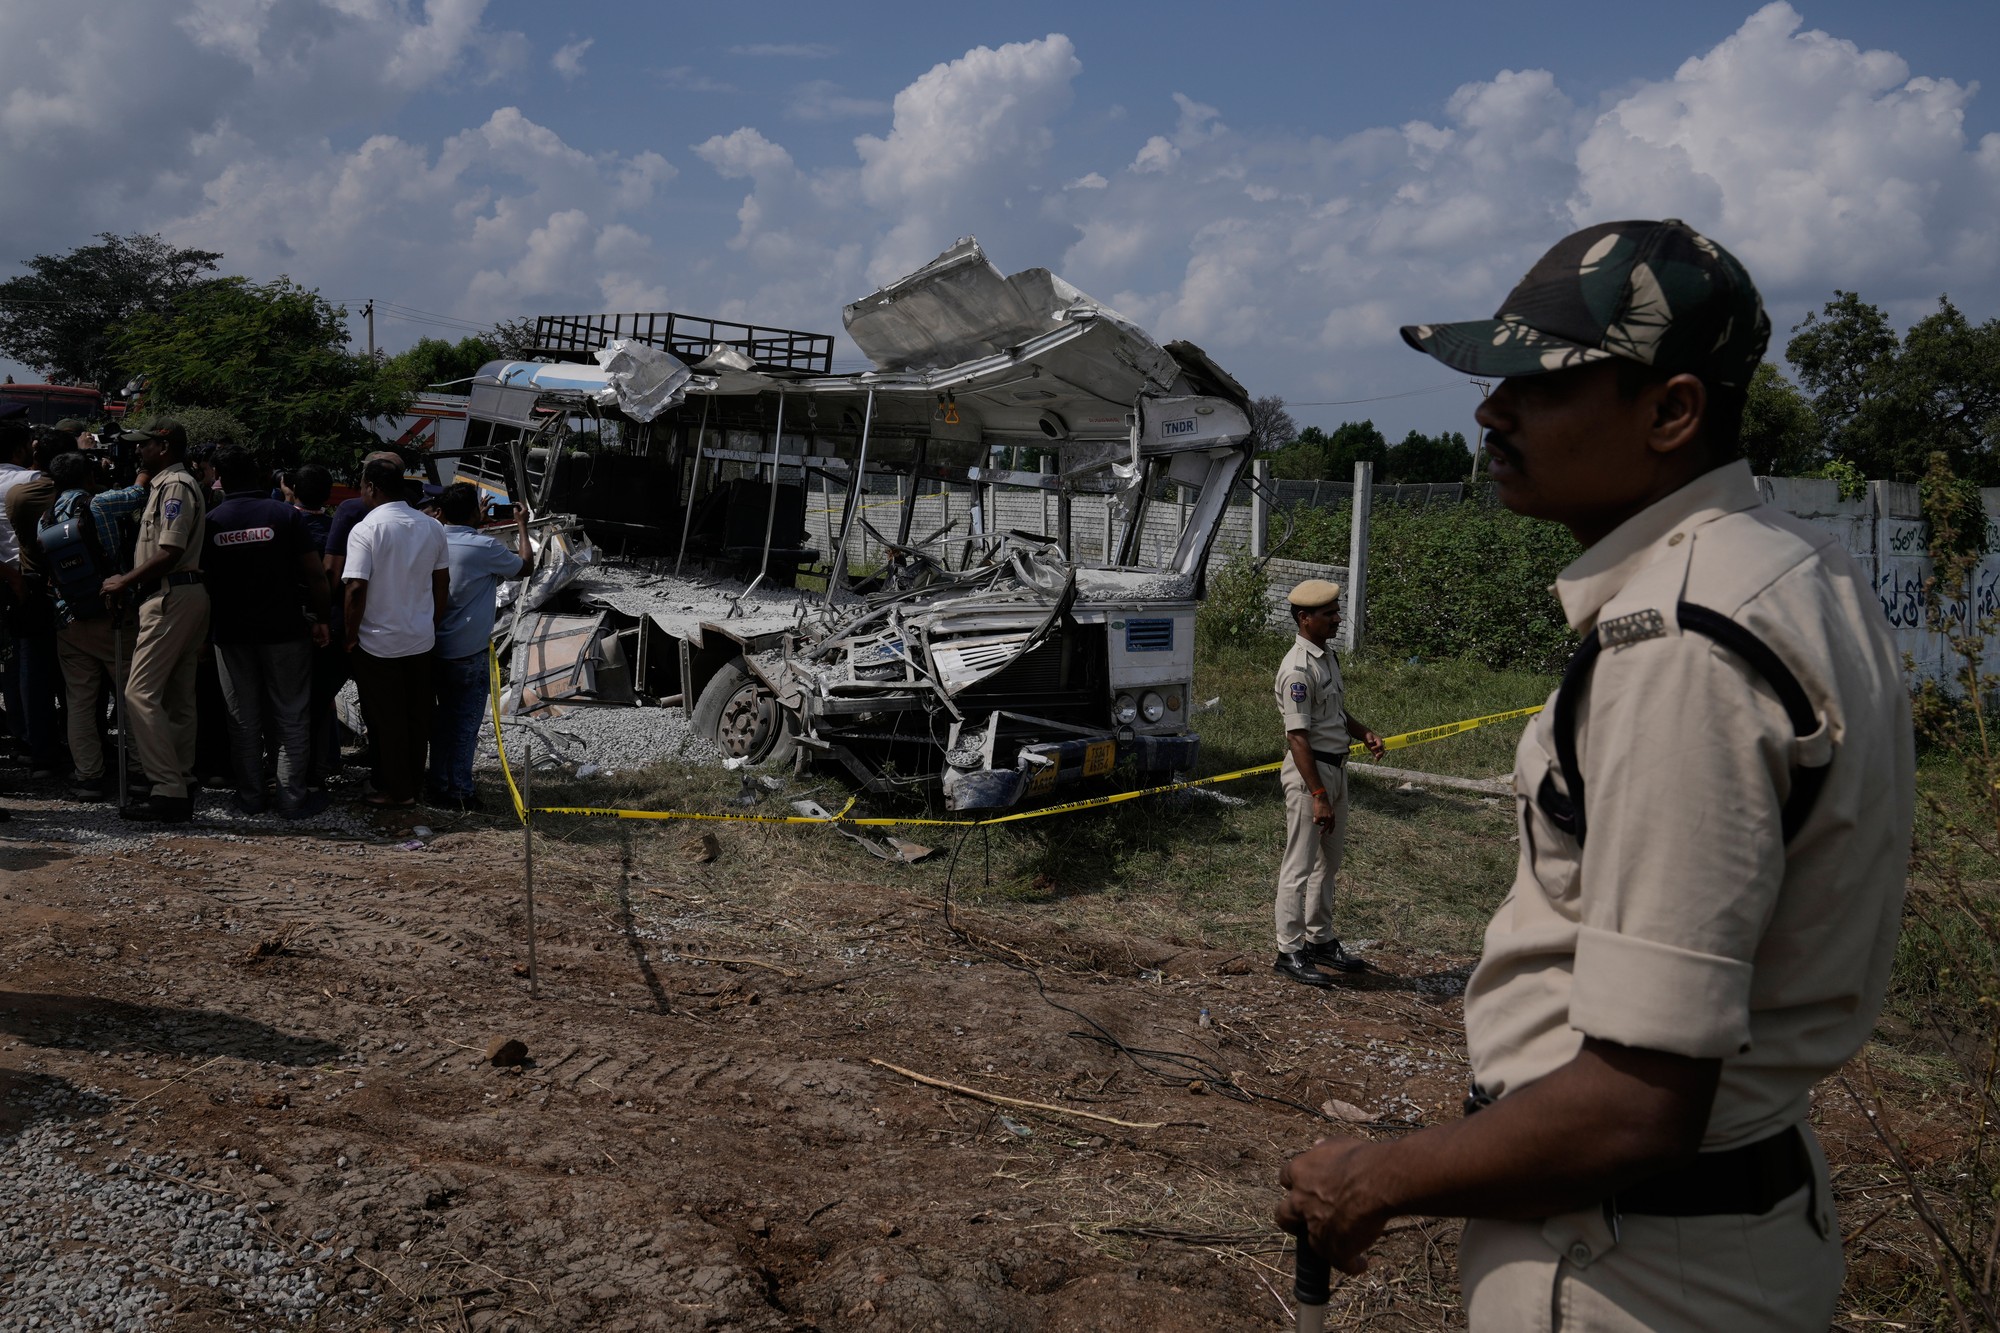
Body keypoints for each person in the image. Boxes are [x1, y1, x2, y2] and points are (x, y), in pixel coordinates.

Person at [1276, 220, 1916, 1331]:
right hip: (1715, 1231)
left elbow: (1634, 1105)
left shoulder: (1681, 645)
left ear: (1671, 411)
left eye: (1538, 384)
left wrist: (1372, 1179)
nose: (1491, 412)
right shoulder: (1791, 566)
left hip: (1627, 1263)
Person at [204, 445, 333, 818]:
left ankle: (250, 797)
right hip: (285, 630)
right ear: (258, 474)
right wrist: (323, 618)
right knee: (291, 714)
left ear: (220, 479)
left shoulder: (212, 521)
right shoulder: (284, 515)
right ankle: (292, 799)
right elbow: (315, 574)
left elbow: (205, 579)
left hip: (231, 633)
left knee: (243, 718)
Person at [1271, 578, 1385, 987]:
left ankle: (1320, 939)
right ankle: (1289, 950)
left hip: (1336, 769)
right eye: (1329, 614)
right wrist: (1317, 793)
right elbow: (1298, 738)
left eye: (1336, 612)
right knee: (1299, 865)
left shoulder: (1326, 657)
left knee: (1328, 863)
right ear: (1305, 618)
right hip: (1311, 775)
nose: (1338, 619)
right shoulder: (1297, 669)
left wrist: (1363, 732)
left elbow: (1334, 712)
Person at [102, 421, 209, 823]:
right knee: (177, 697)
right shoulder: (167, 484)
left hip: (170, 595)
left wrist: (124, 581)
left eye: (144, 445)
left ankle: (167, 787)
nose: (138, 451)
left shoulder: (174, 486)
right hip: (180, 594)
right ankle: (180, 779)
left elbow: (169, 550)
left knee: (139, 693)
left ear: (163, 447)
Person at [343, 455, 448, 808]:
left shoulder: (366, 530)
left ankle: (396, 790)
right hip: (420, 639)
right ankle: (412, 785)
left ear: (371, 488)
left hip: (377, 642)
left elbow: (355, 588)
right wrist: (431, 623)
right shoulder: (432, 527)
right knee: (417, 717)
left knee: (385, 719)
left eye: (362, 486)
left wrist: (350, 635)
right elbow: (442, 583)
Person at [43, 450, 147, 801]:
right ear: (89, 478)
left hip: (69, 618)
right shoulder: (99, 503)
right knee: (131, 695)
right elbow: (138, 494)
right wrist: (141, 471)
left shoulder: (45, 517)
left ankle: (88, 777)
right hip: (112, 614)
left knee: (79, 702)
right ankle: (139, 771)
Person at [428, 483, 530, 811]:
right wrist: (522, 525)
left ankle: (437, 784)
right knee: (465, 725)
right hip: (467, 653)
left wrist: (475, 522)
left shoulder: (431, 540)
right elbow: (525, 567)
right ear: (474, 512)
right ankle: (459, 791)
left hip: (430, 648)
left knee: (440, 723)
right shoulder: (484, 547)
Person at [1, 430, 67, 778]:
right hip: (29, 581)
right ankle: (49, 744)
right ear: (19, 450)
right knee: (39, 665)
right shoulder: (31, 482)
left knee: (16, 665)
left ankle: (24, 738)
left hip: (9, 580)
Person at [283, 464, 342, 787]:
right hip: (328, 619)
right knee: (321, 694)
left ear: (292, 488)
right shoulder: (335, 530)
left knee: (289, 696)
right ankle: (325, 761)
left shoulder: (282, 524)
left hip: (290, 618)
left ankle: (292, 768)